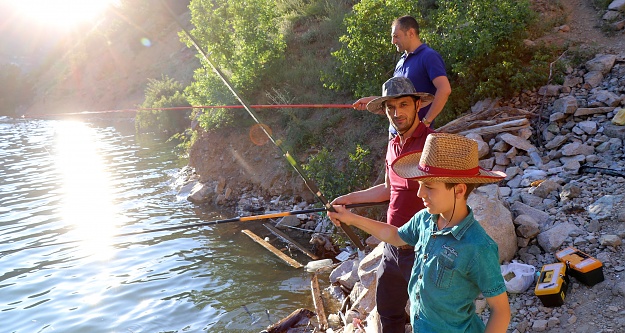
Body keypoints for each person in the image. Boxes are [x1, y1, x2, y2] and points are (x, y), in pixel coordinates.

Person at [329, 133, 511, 333]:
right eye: (420, 185)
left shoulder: (478, 247)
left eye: (429, 187)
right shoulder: (425, 219)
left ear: (459, 190)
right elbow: (396, 236)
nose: (420, 193)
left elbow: (501, 311)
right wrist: (351, 218)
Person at [331, 76, 436, 332]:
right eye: (390, 107)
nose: (397, 113)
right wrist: (346, 199)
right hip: (391, 247)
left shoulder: (432, 144)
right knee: (388, 312)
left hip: (424, 248)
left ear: (418, 104)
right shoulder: (392, 145)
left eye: (403, 105)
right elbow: (389, 190)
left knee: (432, 318)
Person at [353, 15, 451, 130]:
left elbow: (444, 89)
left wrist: (426, 122)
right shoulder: (400, 62)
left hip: (417, 137)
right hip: (395, 138)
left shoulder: (429, 56)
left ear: (411, 33)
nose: (393, 41)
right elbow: (396, 99)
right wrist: (372, 101)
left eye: (396, 36)